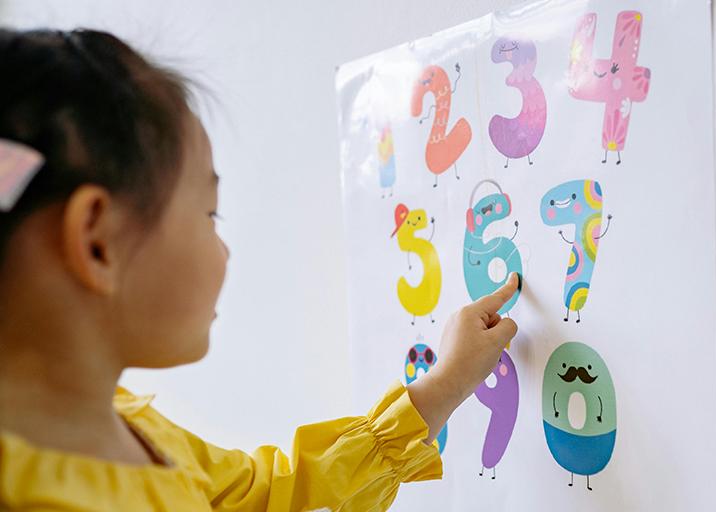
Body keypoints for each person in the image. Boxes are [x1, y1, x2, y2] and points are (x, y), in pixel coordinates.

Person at [0, 28, 520, 511]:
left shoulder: (130, 428)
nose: (224, 251)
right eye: (209, 214)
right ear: (98, 242)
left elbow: (275, 497)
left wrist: (442, 387)